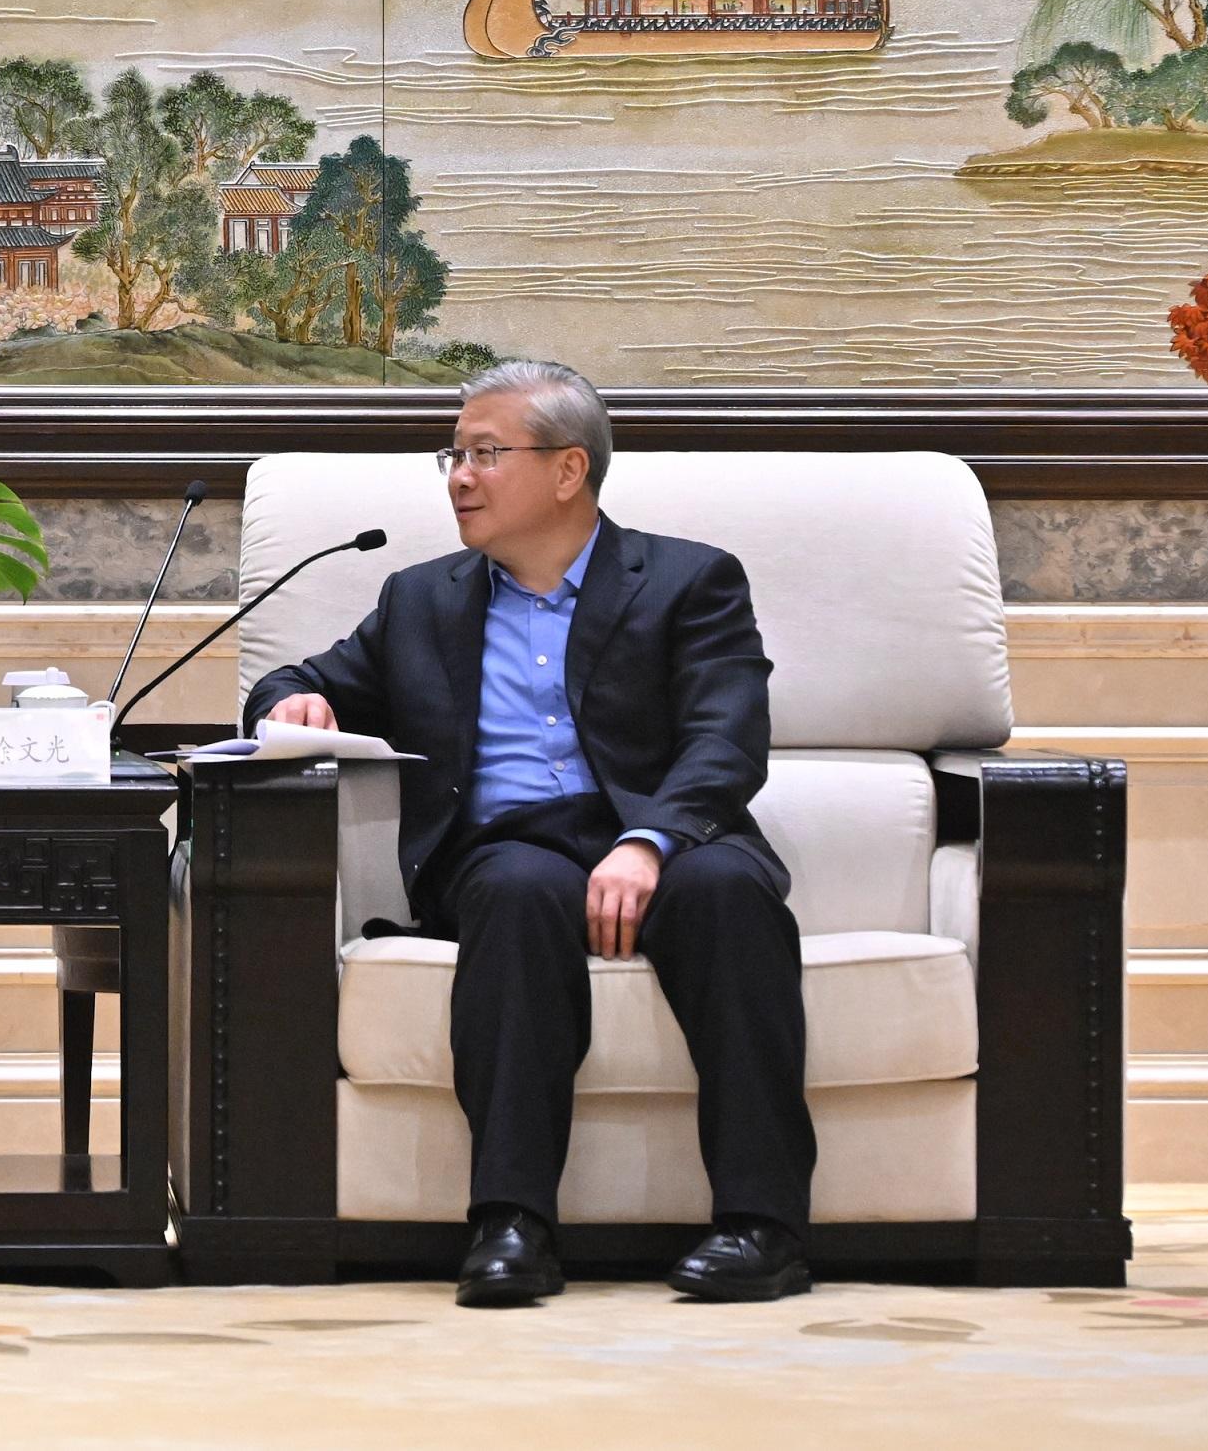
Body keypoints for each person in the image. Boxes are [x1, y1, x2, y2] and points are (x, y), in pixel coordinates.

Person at [246, 359, 812, 1308]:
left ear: (567, 471)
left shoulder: (689, 580)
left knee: (728, 894)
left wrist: (652, 843)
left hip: (661, 833)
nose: (459, 476)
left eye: (485, 454)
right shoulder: (422, 599)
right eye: (453, 456)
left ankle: (763, 1228)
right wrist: (291, 698)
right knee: (511, 894)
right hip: (511, 845)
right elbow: (302, 679)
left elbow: (727, 736)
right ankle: (511, 1223)